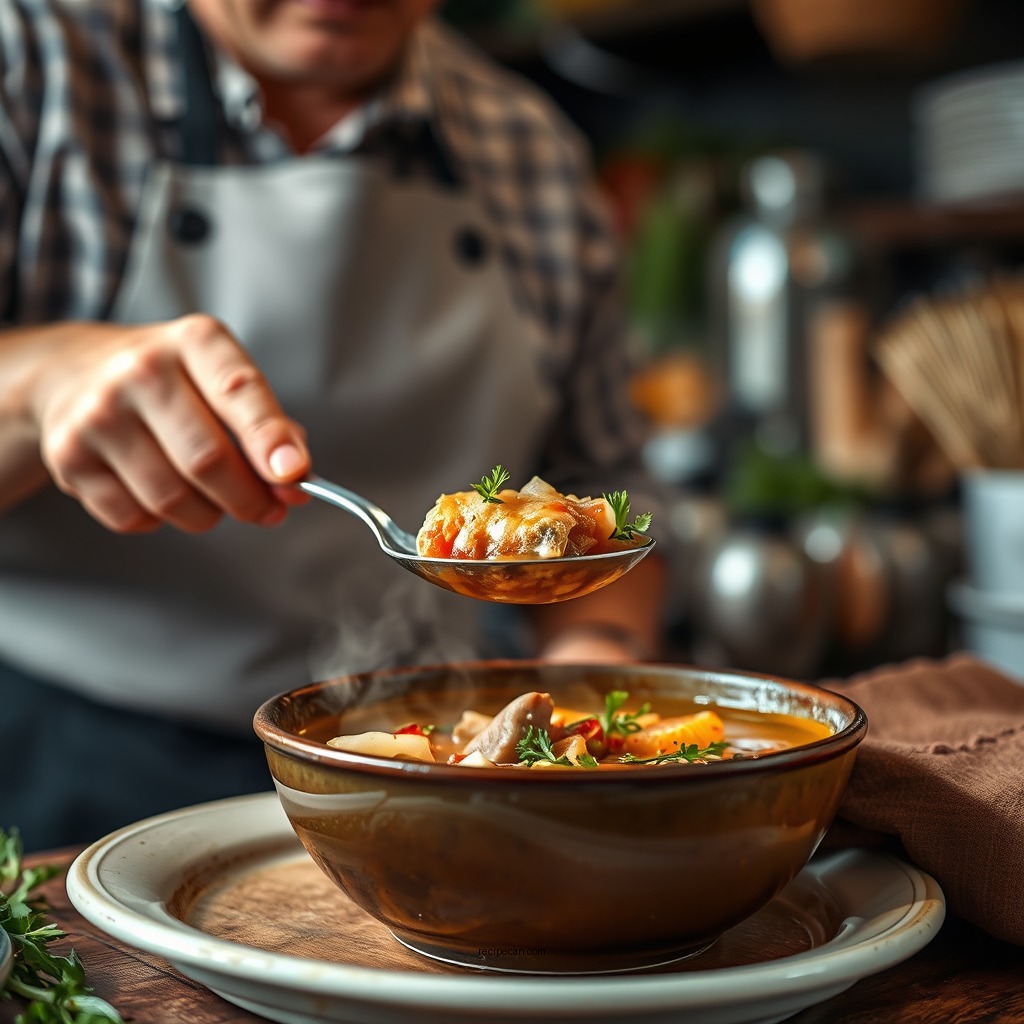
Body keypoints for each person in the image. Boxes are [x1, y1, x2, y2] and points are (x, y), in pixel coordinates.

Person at [0, 0, 669, 849]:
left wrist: (587, 676)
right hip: (60, 753)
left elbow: (606, 485)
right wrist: (37, 384)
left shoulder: (530, 152)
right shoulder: (31, 66)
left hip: (422, 762)